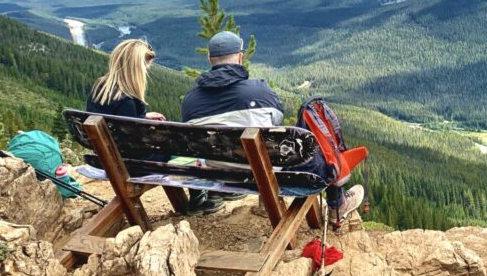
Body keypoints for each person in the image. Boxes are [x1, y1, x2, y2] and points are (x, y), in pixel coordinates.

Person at [181, 30, 364, 224]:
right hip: (267, 176)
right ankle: (338, 203)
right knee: (318, 140)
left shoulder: (190, 101)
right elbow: (275, 123)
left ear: (210, 59)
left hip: (217, 172)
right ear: (241, 57)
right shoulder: (260, 91)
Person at [87, 39, 166, 121]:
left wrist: (141, 117)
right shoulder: (127, 103)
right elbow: (129, 131)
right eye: (145, 70)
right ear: (138, 70)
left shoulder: (99, 90)